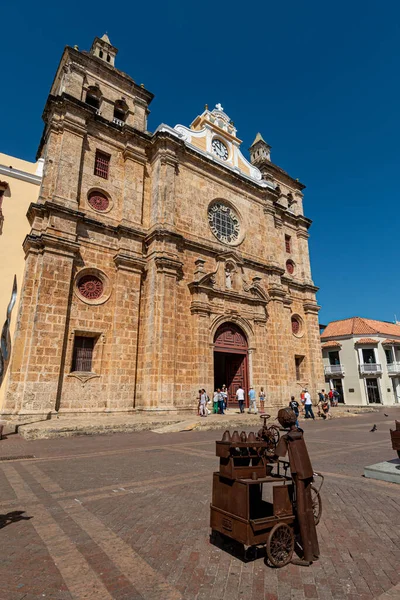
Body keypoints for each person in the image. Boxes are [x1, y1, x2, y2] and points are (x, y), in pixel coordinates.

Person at [274, 408, 320, 564]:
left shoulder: (286, 438)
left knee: (301, 512)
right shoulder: (300, 432)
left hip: (299, 475)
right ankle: (315, 550)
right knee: (308, 510)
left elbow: (275, 456)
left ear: (283, 421)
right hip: (307, 472)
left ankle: (307, 556)